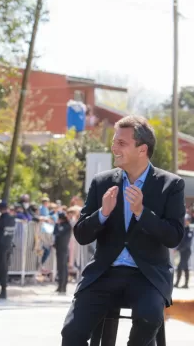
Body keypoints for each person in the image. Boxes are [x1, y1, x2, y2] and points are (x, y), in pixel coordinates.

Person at [61, 115, 186, 346]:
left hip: (148, 276)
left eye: (121, 143)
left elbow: (174, 236)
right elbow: (81, 234)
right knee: (71, 333)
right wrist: (103, 213)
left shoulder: (171, 185)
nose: (114, 148)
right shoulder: (102, 182)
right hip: (104, 274)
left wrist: (142, 212)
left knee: (149, 318)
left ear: (142, 149)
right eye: (114, 141)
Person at [0, 201, 16, 299]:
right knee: (4, 269)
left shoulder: (2, 218)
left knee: (1, 268)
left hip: (1, 246)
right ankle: (3, 290)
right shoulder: (12, 219)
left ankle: (3, 291)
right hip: (9, 246)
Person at [53, 212, 72, 294]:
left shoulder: (67, 226)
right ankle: (60, 286)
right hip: (59, 249)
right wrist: (57, 225)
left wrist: (57, 226)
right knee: (60, 268)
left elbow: (59, 234)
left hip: (63, 249)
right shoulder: (59, 225)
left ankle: (63, 287)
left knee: (63, 268)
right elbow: (55, 233)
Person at [175, 215, 192, 288]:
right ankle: (185, 284)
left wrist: (178, 249)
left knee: (181, 267)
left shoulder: (189, 231)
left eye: (187, 220)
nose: (185, 221)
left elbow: (187, 243)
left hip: (186, 252)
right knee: (185, 267)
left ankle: (179, 283)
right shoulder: (184, 229)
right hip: (182, 251)